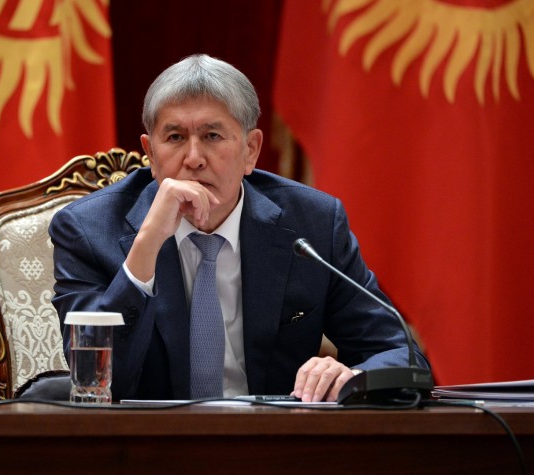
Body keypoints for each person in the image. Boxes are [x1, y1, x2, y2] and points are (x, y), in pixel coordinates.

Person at [49, 54, 429, 402]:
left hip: (275, 442)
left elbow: (400, 354)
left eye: (212, 136)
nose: (194, 158)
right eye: (175, 137)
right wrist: (146, 245)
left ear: (251, 150)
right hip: (148, 444)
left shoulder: (312, 224)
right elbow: (96, 382)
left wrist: (351, 377)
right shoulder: (87, 230)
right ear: (150, 153)